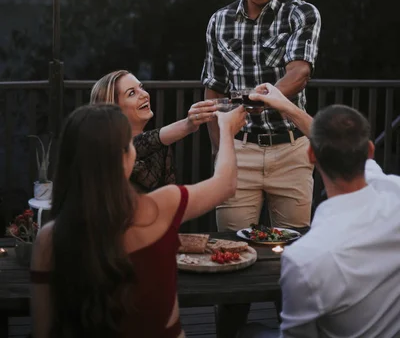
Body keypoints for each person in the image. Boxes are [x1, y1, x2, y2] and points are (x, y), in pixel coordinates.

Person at [31, 102, 247, 338]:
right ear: (124, 157)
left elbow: (43, 331)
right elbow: (226, 184)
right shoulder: (161, 206)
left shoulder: (48, 239)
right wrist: (226, 130)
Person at [238, 83, 400, 338]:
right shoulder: (394, 191)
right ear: (369, 150)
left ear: (310, 155)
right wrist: (289, 107)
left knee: (247, 333)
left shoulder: (305, 258)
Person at [202, 0, 321, 232]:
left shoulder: (301, 13)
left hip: (291, 151)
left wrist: (258, 98)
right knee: (233, 243)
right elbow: (214, 87)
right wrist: (220, 148)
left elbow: (299, 73)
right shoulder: (219, 21)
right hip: (240, 149)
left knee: (294, 247)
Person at [91, 70, 217, 192]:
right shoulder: (106, 152)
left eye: (141, 87)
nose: (145, 94)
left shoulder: (160, 148)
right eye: (132, 93)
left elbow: (171, 199)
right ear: (113, 109)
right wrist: (188, 124)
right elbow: (134, 146)